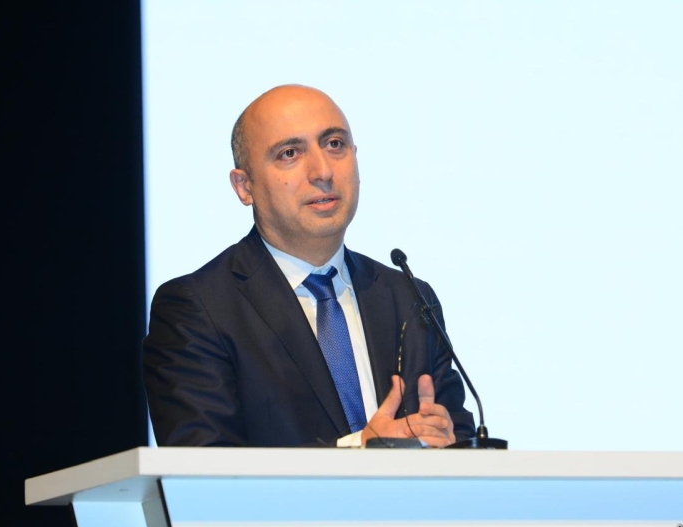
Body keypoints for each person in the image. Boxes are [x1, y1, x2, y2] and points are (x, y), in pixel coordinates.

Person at [143, 85, 475, 447]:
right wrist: (361, 450)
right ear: (244, 186)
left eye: (335, 144)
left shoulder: (407, 297)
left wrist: (447, 445)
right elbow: (202, 464)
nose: (323, 171)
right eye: (290, 153)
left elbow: (461, 438)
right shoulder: (197, 309)